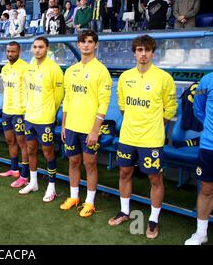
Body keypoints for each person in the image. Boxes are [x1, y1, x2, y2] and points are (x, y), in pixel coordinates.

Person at [108, 35, 177, 239]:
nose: (143, 54)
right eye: (139, 50)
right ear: (134, 52)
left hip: (152, 139)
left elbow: (170, 108)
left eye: (147, 50)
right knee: (124, 173)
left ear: (153, 53)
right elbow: (122, 106)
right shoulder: (125, 77)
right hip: (127, 137)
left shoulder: (164, 78)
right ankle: (125, 211)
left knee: (155, 178)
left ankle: (154, 220)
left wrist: (155, 124)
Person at [60, 30, 112, 217]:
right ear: (79, 44)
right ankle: (74, 197)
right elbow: (67, 99)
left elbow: (104, 103)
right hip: (72, 126)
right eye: (83, 42)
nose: (86, 45)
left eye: (90, 41)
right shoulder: (71, 70)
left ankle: (89, 202)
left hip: (89, 128)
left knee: (89, 164)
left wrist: (95, 130)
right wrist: (64, 125)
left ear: (96, 45)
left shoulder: (101, 71)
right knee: (73, 161)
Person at [19, 37, 64, 202]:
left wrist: (50, 112)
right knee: (30, 150)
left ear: (47, 49)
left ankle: (51, 186)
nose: (37, 50)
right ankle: (34, 182)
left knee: (48, 152)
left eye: (41, 47)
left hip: (45, 118)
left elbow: (59, 96)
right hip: (29, 117)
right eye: (35, 47)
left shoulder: (54, 69)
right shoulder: (29, 68)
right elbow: (27, 91)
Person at [184, 71, 213, 245]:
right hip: (209, 145)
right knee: (207, 189)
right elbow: (199, 109)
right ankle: (201, 233)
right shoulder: (207, 80)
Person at [0, 42, 30, 188]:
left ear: (19, 52)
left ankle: (24, 175)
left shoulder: (25, 68)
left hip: (20, 112)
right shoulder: (4, 68)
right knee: (10, 141)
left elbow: (30, 91)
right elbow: (3, 90)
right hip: (7, 111)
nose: (10, 54)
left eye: (13, 51)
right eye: (8, 51)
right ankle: (14, 169)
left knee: (22, 143)